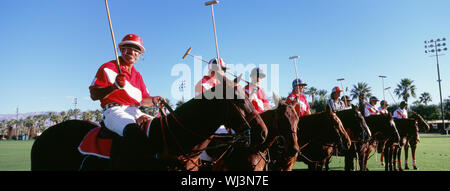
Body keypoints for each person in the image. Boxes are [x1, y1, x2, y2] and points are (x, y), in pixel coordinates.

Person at [90, 34, 165, 137]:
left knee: (162, 128)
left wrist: (154, 100)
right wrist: (114, 87)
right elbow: (93, 95)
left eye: (136, 49)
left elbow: (143, 100)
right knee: (134, 132)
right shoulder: (108, 67)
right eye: (128, 47)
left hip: (135, 111)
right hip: (114, 112)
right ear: (121, 49)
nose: (132, 51)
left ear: (139, 54)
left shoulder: (138, 75)